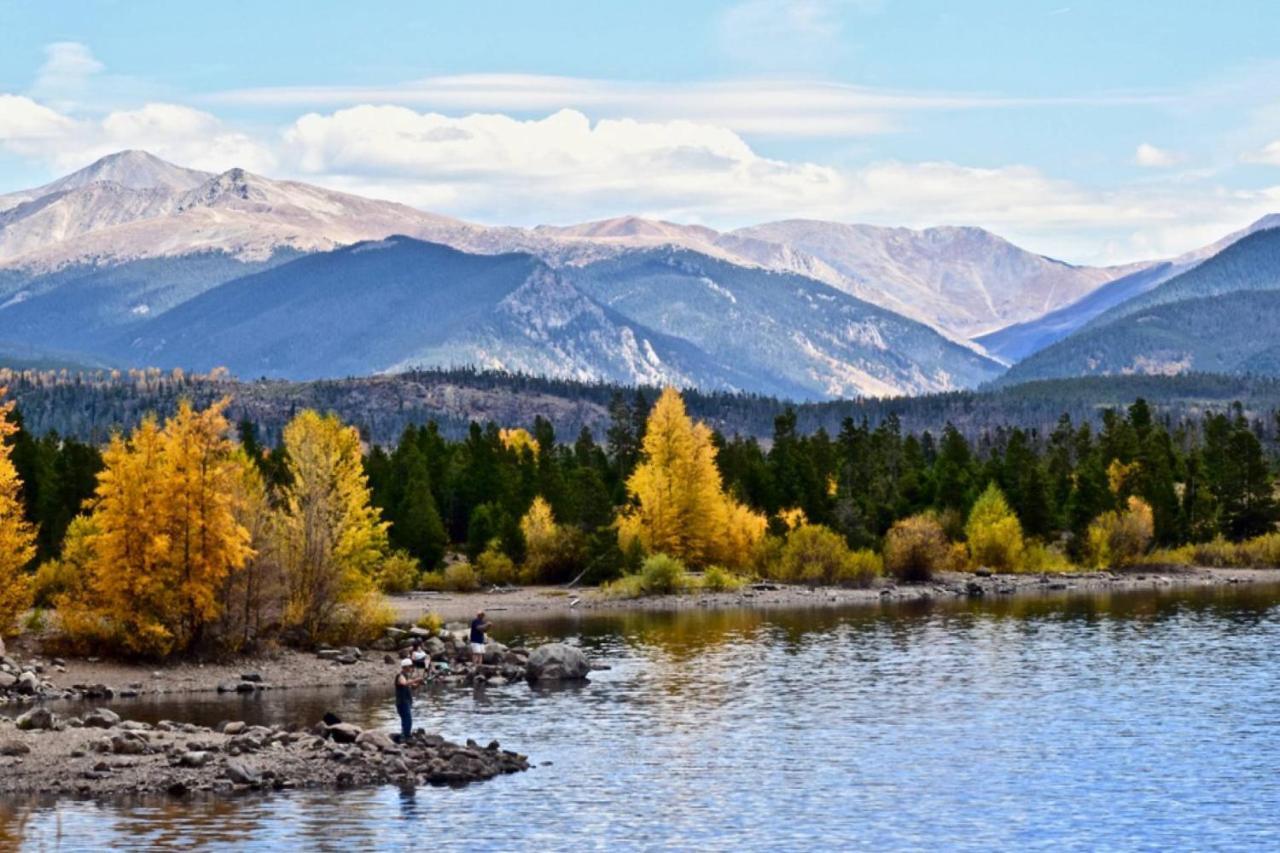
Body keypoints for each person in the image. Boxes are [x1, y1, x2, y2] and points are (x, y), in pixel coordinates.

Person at [394, 658, 423, 742]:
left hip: (406, 701)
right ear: (405, 667)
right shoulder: (400, 676)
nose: (411, 668)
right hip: (402, 702)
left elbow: (412, 687)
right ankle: (405, 737)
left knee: (406, 719)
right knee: (407, 719)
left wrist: (419, 683)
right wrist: (416, 680)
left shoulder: (405, 676)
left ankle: (404, 735)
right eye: (410, 667)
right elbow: (404, 683)